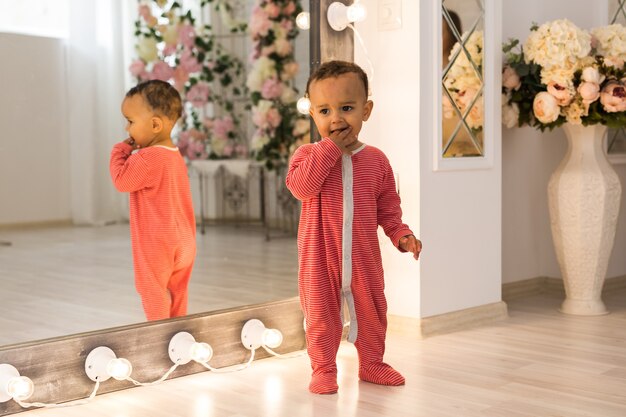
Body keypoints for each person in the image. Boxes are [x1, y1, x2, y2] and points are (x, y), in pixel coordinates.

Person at [286, 60, 422, 394]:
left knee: (373, 311)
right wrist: (330, 149)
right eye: (324, 111)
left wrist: (401, 234)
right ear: (313, 115)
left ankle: (372, 363)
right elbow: (301, 188)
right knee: (320, 315)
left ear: (366, 110)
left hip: (363, 257)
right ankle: (323, 368)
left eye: (346, 108)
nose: (336, 119)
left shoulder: (376, 161)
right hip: (319, 259)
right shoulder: (307, 155)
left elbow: (388, 208)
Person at [109, 80, 196, 321]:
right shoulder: (174, 156)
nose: (127, 129)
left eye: (130, 121)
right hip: (185, 240)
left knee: (152, 290)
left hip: (159, 243)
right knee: (178, 290)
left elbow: (121, 181)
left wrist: (119, 151)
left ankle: (158, 335)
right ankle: (177, 332)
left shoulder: (146, 158)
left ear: (155, 124)